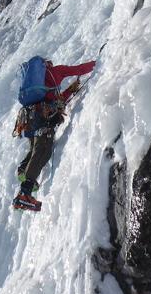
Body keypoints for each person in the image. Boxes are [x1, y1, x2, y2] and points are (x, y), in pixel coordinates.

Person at [13, 58, 96, 211]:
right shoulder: (55, 71)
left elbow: (57, 100)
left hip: (28, 118)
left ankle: (23, 170)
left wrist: (70, 90)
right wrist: (97, 63)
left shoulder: (35, 87)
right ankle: (24, 194)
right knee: (42, 151)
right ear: (48, 64)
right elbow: (78, 69)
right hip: (42, 115)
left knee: (34, 150)